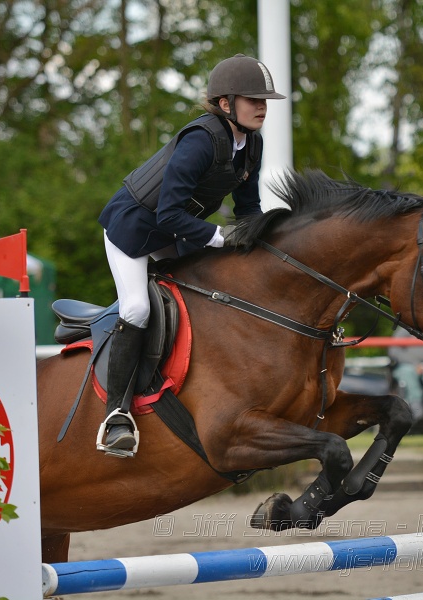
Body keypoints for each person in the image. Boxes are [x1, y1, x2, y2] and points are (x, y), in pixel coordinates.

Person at [95, 54, 286, 456]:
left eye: (265, 99)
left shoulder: (252, 144)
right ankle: (116, 415)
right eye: (253, 99)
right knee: (136, 309)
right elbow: (168, 212)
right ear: (225, 104)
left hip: (176, 229)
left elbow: (247, 210)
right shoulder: (201, 139)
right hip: (133, 229)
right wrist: (221, 237)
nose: (262, 106)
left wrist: (262, 245)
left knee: (208, 292)